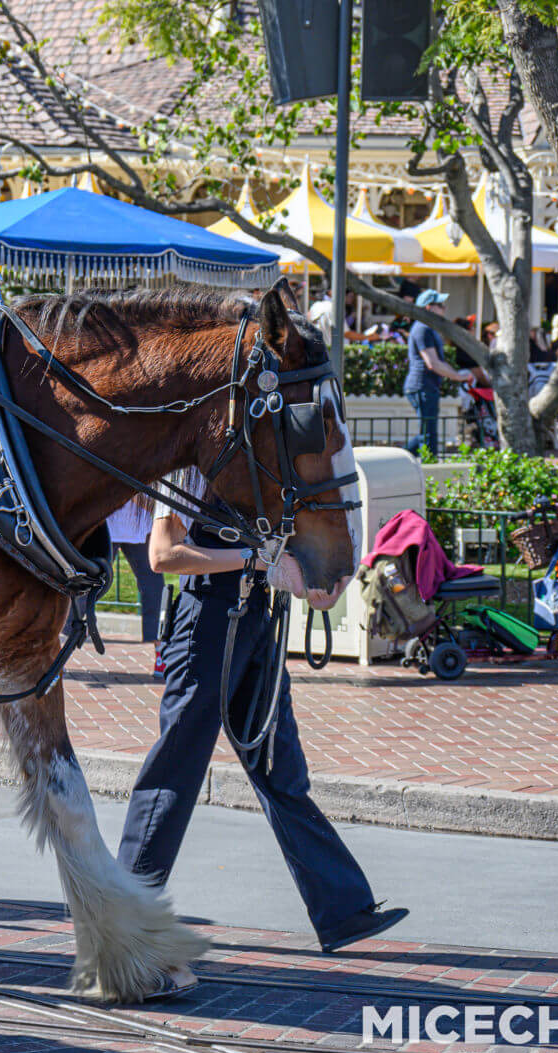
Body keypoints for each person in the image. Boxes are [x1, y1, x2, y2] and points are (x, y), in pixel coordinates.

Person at [117, 468, 408, 957]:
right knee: (177, 769)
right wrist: (257, 561)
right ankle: (122, 920)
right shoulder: (190, 465)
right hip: (205, 624)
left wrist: (310, 575)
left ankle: (341, 910)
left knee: (281, 769)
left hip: (255, 621)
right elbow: (163, 554)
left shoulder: (260, 463)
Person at [402, 289, 474, 460]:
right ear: (429, 308)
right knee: (428, 434)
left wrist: (456, 374)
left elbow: (438, 362)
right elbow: (432, 363)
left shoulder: (427, 329)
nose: (444, 309)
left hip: (426, 386)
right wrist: (459, 376)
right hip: (422, 386)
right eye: (441, 305)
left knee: (427, 432)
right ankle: (430, 470)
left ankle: (398, 457)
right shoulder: (423, 329)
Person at [106, 495, 166, 663]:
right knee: (86, 584)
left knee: (153, 586)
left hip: (140, 524)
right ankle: (64, 645)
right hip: (105, 521)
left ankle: (160, 650)